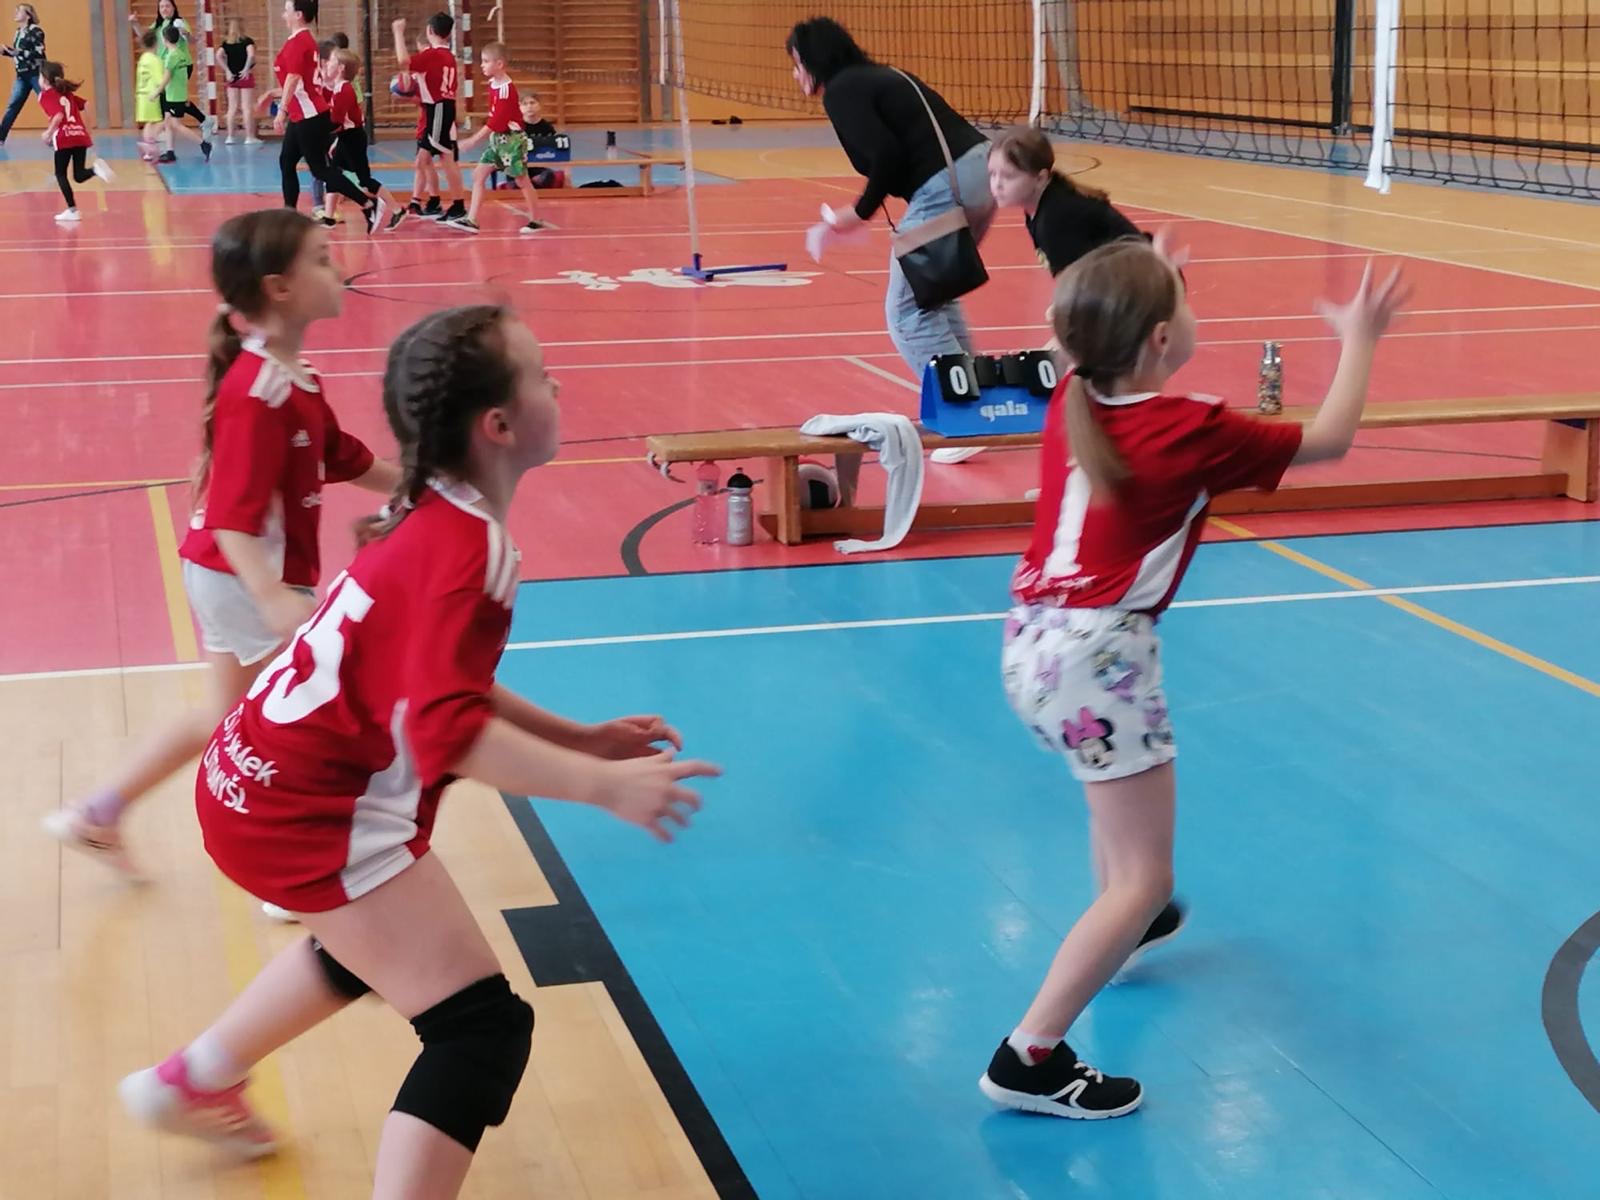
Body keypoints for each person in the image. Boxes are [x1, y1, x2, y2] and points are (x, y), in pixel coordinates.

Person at [119, 303, 720, 1196]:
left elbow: (436, 678)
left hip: (250, 780)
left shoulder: (427, 511)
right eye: (541, 374)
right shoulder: (474, 547)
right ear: (499, 425)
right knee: (479, 1029)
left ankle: (195, 1080)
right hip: (302, 810)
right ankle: (201, 1080)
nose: (558, 383)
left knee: (374, 942)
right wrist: (600, 786)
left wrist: (577, 736)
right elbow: (447, 731)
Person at [980, 236, 1407, 1118]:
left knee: (1114, 818)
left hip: (1031, 643)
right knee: (1145, 876)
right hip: (1100, 660)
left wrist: (1143, 277)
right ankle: (1031, 1056)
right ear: (1162, 338)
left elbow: (1082, 331)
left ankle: (1125, 930)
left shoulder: (1072, 395)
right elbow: (1329, 438)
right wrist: (1361, 337)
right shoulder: (1193, 427)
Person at [44, 209, 400, 878]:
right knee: (303, 722)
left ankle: (98, 813)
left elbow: (339, 455)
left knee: (227, 713)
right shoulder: (258, 391)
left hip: (231, 575)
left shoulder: (295, 375)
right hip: (244, 578)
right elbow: (234, 519)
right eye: (322, 259)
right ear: (279, 288)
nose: (339, 268)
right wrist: (272, 598)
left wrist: (412, 487)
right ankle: (288, 869)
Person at [787, 16, 995, 464]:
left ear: (813, 60)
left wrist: (858, 212)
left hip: (949, 184)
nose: (795, 73)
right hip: (984, 173)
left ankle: (965, 417)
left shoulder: (843, 90)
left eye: (797, 63)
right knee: (931, 294)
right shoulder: (882, 76)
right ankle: (978, 401)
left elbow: (887, 154)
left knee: (905, 311)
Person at [258, 0, 380, 232]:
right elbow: (301, 83)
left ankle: (368, 204)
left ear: (299, 14)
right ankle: (289, 216)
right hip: (303, 114)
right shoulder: (304, 41)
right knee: (287, 161)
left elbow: (294, 78)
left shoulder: (299, 41)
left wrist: (281, 110)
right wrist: (274, 95)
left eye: (287, 10)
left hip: (310, 115)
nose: (284, 14)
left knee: (320, 169)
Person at [452, 42, 542, 235]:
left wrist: (473, 140)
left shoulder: (506, 90)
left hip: (511, 139)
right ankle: (472, 219)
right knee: (478, 175)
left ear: (499, 64)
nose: (482, 65)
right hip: (498, 138)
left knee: (522, 179)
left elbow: (496, 122)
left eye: (486, 61)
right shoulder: (494, 84)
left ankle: (535, 219)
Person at [392, 13, 468, 226]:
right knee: (423, 160)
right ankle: (430, 202)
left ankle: (458, 206)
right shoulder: (448, 56)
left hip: (438, 108)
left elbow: (403, 62)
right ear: (449, 34)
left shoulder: (433, 54)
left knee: (446, 158)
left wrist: (398, 33)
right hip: (441, 108)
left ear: (430, 31)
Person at [324, 48, 405, 232]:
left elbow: (336, 121)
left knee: (364, 180)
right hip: (346, 136)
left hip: (353, 137)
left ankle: (396, 209)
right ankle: (328, 217)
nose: (328, 63)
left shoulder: (344, 90)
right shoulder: (338, 87)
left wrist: (316, 132)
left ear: (341, 67)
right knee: (332, 173)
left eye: (332, 61)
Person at [38, 60, 112, 222]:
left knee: (60, 174)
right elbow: (87, 104)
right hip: (79, 135)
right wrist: (89, 129)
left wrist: (48, 133)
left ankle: (73, 210)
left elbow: (58, 116)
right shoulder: (67, 94)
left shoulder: (45, 95)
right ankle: (95, 170)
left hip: (64, 137)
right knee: (79, 175)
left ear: (45, 79)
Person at [0, 4, 44, 146]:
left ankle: (61, 131)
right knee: (13, 106)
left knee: (47, 102)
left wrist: (17, 52)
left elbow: (39, 53)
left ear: (28, 15)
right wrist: (6, 52)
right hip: (22, 75)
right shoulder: (18, 32)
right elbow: (18, 54)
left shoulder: (36, 31)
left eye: (19, 11)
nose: (16, 13)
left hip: (36, 73)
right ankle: (1, 137)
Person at [219, 17, 260, 145]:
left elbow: (218, 55)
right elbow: (251, 55)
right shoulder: (247, 41)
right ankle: (249, 137)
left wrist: (227, 70)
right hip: (245, 77)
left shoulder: (226, 43)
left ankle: (230, 136)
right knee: (246, 108)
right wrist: (246, 69)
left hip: (232, 77)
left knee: (232, 108)